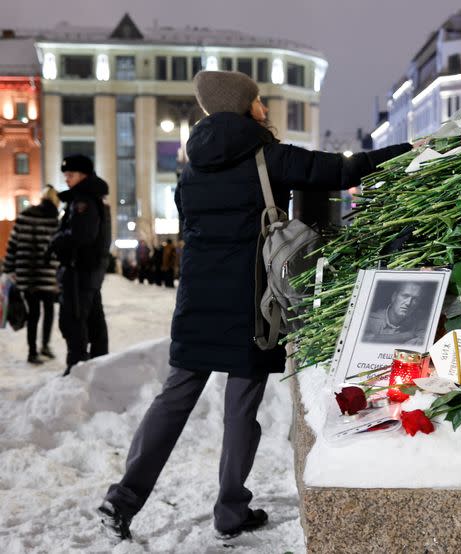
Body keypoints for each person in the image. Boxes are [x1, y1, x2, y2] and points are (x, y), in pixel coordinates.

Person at [98, 70, 412, 543]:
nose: (264, 106)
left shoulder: (192, 162)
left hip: (197, 299)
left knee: (173, 399)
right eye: (260, 100)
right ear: (247, 105)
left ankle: (122, 500)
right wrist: (409, 151)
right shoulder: (268, 154)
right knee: (240, 408)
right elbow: (343, 170)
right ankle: (229, 511)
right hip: (252, 302)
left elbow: (190, 222)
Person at [49, 154, 111, 376]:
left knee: (73, 319)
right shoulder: (91, 197)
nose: (66, 179)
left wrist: (57, 241)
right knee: (92, 320)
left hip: (80, 270)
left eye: (71, 174)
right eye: (65, 175)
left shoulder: (84, 200)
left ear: (84, 175)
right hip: (87, 270)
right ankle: (97, 366)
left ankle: (77, 368)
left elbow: (81, 235)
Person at [2, 185, 61, 364]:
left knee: (33, 313)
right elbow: (58, 248)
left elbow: (12, 245)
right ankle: (45, 345)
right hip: (47, 274)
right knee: (49, 311)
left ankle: (32, 352)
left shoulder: (25, 215)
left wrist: (9, 269)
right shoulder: (55, 220)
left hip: (26, 274)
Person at [363, 282, 429, 345]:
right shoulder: (368, 320)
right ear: (394, 296)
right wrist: (407, 335)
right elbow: (365, 339)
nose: (408, 303)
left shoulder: (422, 324)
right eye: (405, 296)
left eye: (415, 299)